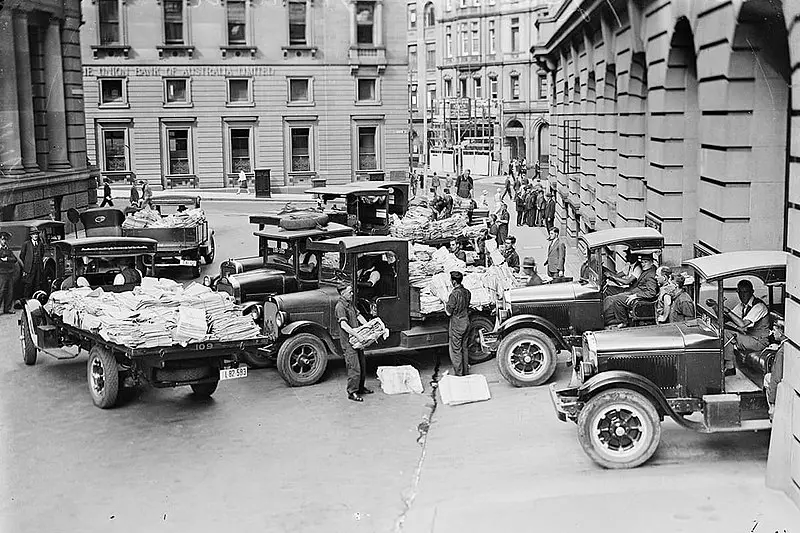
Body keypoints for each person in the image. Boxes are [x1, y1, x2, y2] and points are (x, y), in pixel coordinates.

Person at [707, 279, 770, 377]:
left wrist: (727, 311)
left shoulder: (759, 306)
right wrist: (716, 307)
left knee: (726, 333)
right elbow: (726, 320)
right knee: (722, 329)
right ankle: (724, 363)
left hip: (759, 341)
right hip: (748, 337)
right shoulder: (742, 306)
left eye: (746, 292)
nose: (742, 295)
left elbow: (742, 324)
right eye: (740, 292)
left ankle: (730, 367)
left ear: (752, 292)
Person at [334, 283, 373, 402]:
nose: (352, 294)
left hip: (357, 341)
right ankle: (352, 392)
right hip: (349, 343)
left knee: (362, 365)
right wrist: (357, 335)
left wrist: (368, 326)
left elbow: (358, 315)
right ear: (343, 293)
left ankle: (360, 388)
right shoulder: (340, 307)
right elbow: (344, 325)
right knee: (354, 368)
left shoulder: (350, 304)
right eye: (350, 292)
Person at [603, 254, 659, 327]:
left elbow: (652, 292)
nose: (643, 264)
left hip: (640, 298)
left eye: (646, 262)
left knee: (616, 300)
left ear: (652, 262)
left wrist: (636, 295)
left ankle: (623, 321)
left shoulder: (651, 275)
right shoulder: (648, 269)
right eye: (642, 262)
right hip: (634, 292)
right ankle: (604, 317)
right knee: (609, 298)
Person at [445, 271, 471, 376]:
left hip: (457, 324)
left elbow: (448, 312)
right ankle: (465, 372)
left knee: (456, 350)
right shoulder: (467, 292)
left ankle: (459, 374)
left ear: (454, 282)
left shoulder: (454, 295)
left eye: (451, 280)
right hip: (466, 321)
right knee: (464, 348)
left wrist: (445, 304)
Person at [765, 317, 787, 419]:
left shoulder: (781, 352)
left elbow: (776, 377)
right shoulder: (786, 346)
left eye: (774, 330)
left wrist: (772, 402)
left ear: (781, 332)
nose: (772, 332)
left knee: (768, 377)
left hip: (782, 384)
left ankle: (773, 412)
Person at [20, 228, 45, 298]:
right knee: (28, 284)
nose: (35, 236)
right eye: (34, 234)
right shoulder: (26, 244)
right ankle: (26, 299)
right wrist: (27, 264)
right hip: (29, 268)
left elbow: (42, 254)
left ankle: (36, 299)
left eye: (36, 234)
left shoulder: (40, 244)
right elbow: (22, 255)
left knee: (37, 284)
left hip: (38, 267)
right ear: (31, 236)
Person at [0, 231, 19, 313]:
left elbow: (14, 259)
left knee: (10, 292)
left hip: (10, 273)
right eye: (2, 239)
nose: (4, 241)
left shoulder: (8, 249)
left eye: (5, 239)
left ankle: (7, 309)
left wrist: (6, 259)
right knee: (1, 291)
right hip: (1, 274)